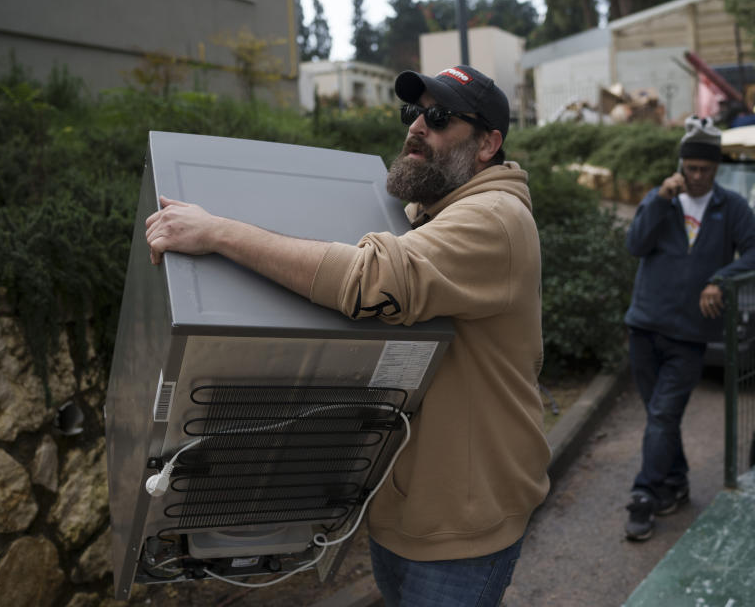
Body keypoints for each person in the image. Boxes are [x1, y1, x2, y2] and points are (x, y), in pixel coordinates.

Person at [145, 65, 549, 606]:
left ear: (488, 143)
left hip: (464, 523)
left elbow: (367, 280)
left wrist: (218, 232)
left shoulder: (495, 220)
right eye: (413, 112)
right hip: (404, 505)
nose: (416, 127)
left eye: (439, 116)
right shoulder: (426, 214)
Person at [622, 116, 755, 541]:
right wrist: (658, 199)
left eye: (705, 169)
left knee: (663, 414)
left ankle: (644, 494)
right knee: (660, 418)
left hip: (689, 335)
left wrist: (721, 280)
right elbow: (635, 245)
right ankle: (677, 481)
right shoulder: (662, 199)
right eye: (690, 168)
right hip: (644, 326)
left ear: (716, 169)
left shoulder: (731, 208)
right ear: (681, 165)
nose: (697, 176)